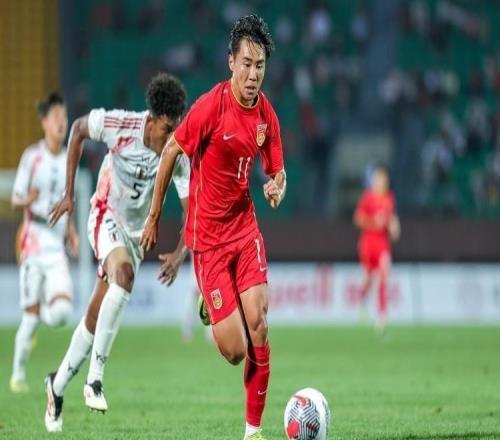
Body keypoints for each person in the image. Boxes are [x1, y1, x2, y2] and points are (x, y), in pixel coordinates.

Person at [140, 15, 286, 440]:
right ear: (231, 62)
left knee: (259, 324)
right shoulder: (211, 107)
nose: (253, 74)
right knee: (235, 351)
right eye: (247, 64)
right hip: (209, 243)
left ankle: (253, 430)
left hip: (245, 230)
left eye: (260, 66)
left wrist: (277, 186)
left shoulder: (266, 115)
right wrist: (154, 216)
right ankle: (211, 304)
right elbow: (171, 151)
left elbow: (277, 173)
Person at [44, 73, 189, 433]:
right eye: (166, 130)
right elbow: (78, 129)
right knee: (123, 276)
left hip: (135, 238)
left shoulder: (178, 152)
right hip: (104, 214)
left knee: (95, 318)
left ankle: (56, 386)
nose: (171, 138)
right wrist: (69, 194)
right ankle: (94, 380)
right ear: (152, 119)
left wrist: (180, 252)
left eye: (176, 129)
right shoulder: (121, 125)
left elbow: (193, 210)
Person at [10, 91, 78, 393]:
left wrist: (71, 231)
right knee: (29, 317)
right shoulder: (32, 157)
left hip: (57, 241)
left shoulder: (69, 159)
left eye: (64, 117)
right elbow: (15, 198)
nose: (62, 123)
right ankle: (17, 375)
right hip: (33, 240)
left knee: (63, 313)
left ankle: (41, 318)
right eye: (56, 117)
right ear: (45, 123)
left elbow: (68, 200)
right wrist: (29, 198)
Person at [354, 165, 401, 331]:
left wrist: (394, 227)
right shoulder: (368, 198)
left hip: (382, 244)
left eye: (383, 179)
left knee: (383, 277)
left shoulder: (389, 198)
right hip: (368, 243)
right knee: (368, 278)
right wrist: (373, 223)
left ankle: (382, 315)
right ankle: (362, 300)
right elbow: (358, 218)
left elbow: (391, 218)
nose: (380, 182)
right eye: (378, 179)